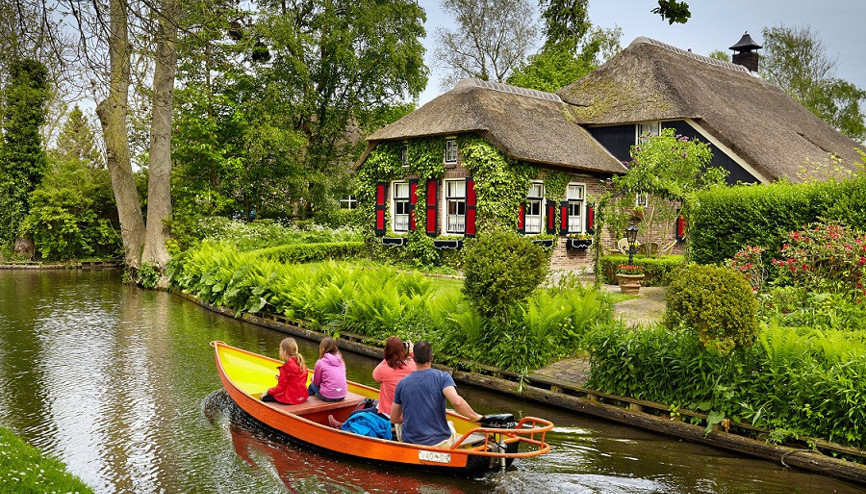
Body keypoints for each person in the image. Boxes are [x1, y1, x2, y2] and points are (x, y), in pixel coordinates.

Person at [391, 341, 482, 447]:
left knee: (399, 425)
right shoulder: (442, 377)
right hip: (439, 443)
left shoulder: (402, 383)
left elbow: (394, 418)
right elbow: (456, 402)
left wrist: (410, 416)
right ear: (431, 358)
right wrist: (475, 417)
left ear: (414, 359)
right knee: (450, 424)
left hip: (411, 443)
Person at [328, 336, 416, 428]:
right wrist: (411, 352)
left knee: (354, 414)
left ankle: (342, 427)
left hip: (387, 414)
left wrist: (388, 357)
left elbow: (375, 376)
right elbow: (414, 361)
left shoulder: (384, 369)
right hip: (404, 414)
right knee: (369, 404)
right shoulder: (411, 366)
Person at [261, 337, 308, 405]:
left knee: (264, 398)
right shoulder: (301, 363)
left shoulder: (286, 367)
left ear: (285, 352)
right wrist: (280, 378)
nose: (279, 352)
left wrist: (268, 391)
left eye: (280, 350)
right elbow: (297, 380)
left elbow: (280, 388)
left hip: (291, 399)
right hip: (303, 397)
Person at [308, 337, 347, 402]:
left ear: (322, 349)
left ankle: (306, 399)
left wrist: (312, 378)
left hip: (329, 397)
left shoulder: (320, 362)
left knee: (312, 386)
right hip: (342, 395)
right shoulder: (341, 360)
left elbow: (316, 383)